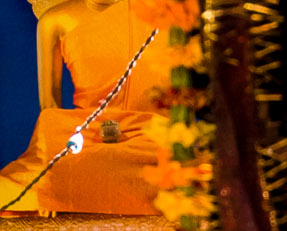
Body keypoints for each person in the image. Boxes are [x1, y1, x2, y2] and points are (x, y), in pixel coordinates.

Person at [0, 0, 180, 214]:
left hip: (149, 144)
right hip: (84, 145)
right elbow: (50, 112)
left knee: (191, 179)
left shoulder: (165, 16)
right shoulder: (56, 20)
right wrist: (51, 178)